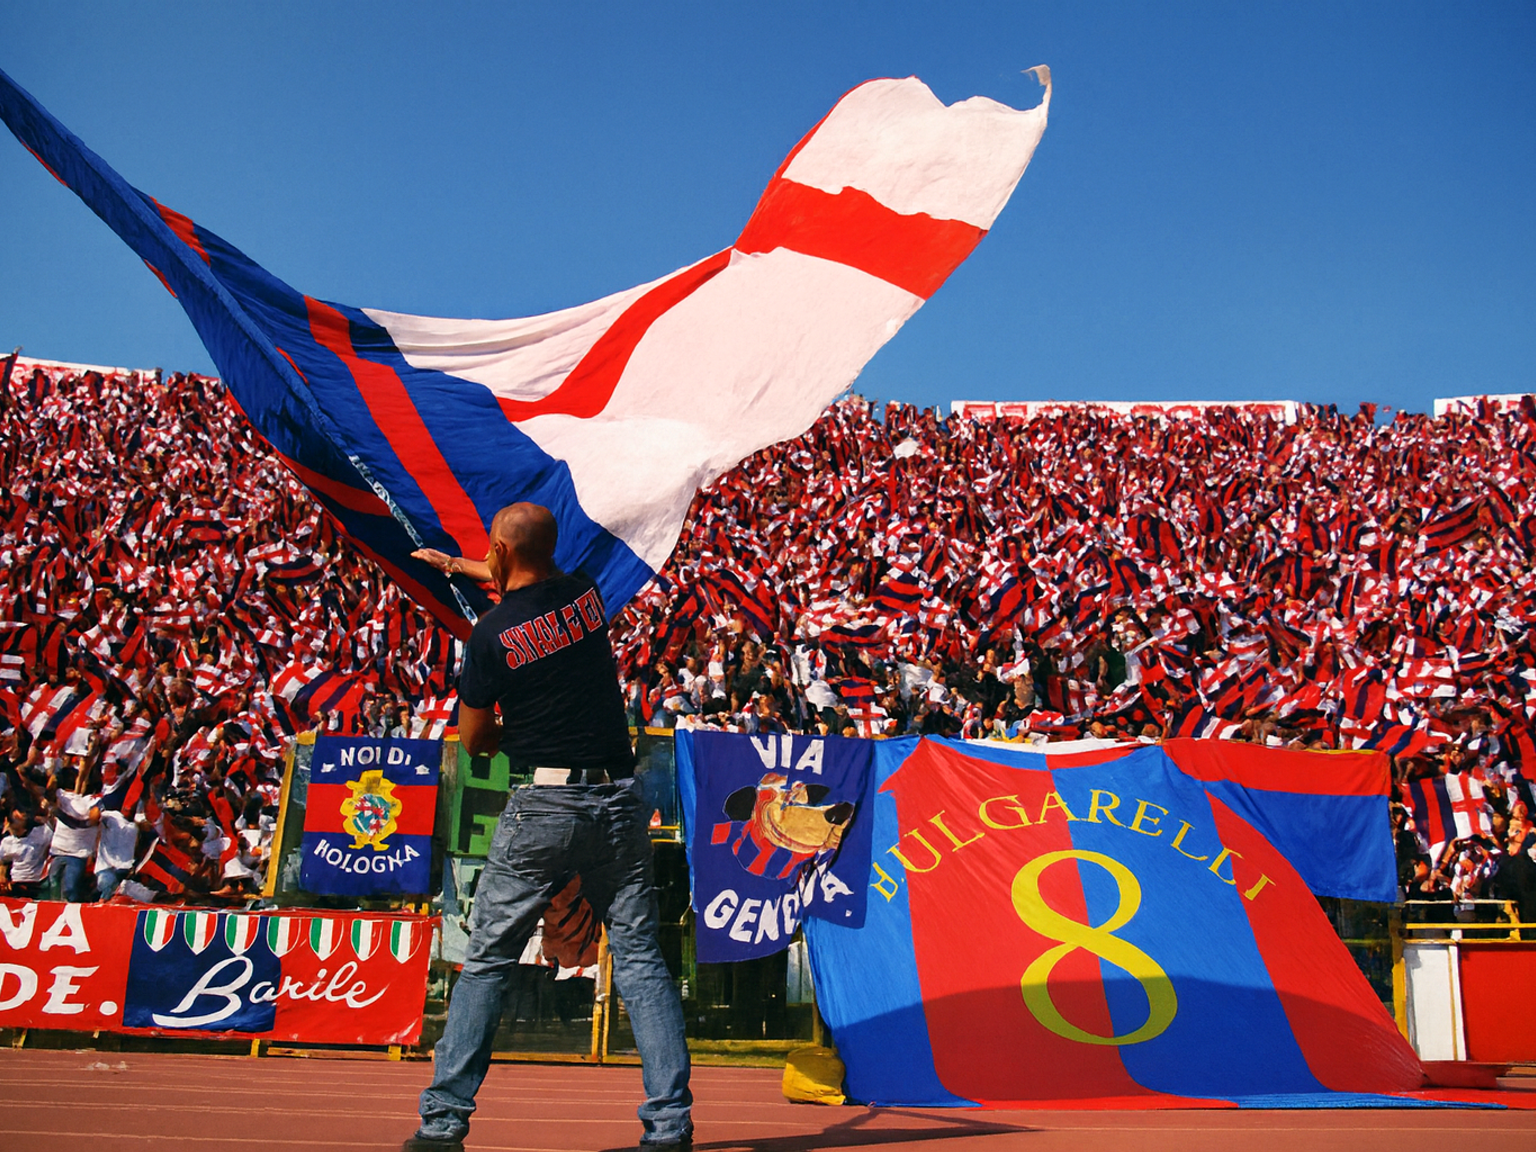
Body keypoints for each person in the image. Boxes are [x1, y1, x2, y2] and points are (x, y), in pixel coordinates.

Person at [405, 504, 691, 1152]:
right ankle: (670, 1127)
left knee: (487, 965)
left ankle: (442, 1125)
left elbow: (475, 740)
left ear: (500, 554)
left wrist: (517, 731)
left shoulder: (489, 635)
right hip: (618, 800)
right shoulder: (585, 595)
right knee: (642, 962)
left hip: (545, 803)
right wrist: (461, 564)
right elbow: (529, 569)